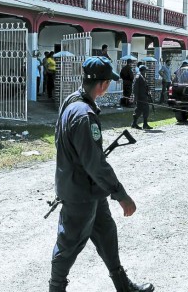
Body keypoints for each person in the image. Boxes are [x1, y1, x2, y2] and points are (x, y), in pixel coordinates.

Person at [49, 56, 154, 292]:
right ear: (104, 84)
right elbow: (95, 163)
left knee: (107, 235)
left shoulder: (72, 101)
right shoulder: (84, 114)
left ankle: (123, 286)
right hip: (80, 192)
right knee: (67, 247)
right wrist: (121, 194)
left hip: (91, 189)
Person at [131, 65, 152, 130]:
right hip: (140, 97)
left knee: (144, 110)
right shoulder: (138, 77)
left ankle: (142, 124)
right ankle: (135, 124)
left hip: (144, 96)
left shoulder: (142, 76)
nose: (146, 71)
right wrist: (135, 97)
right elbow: (135, 87)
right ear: (142, 70)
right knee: (140, 110)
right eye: (145, 70)